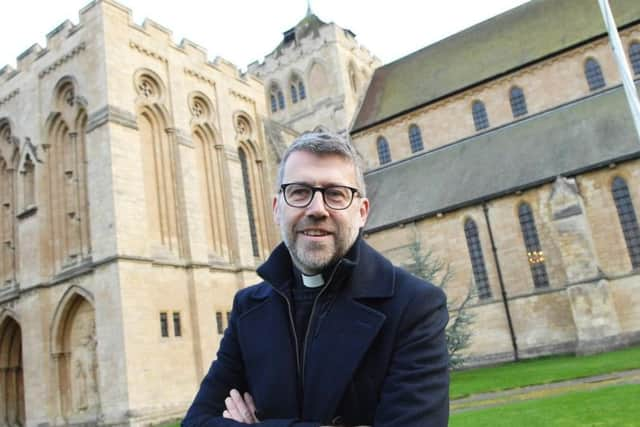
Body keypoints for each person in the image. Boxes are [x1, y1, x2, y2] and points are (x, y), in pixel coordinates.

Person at [182, 131, 449, 427]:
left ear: (361, 213)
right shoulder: (248, 308)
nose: (316, 209)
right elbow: (197, 422)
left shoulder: (414, 306)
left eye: (335, 193)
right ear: (276, 209)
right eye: (299, 192)